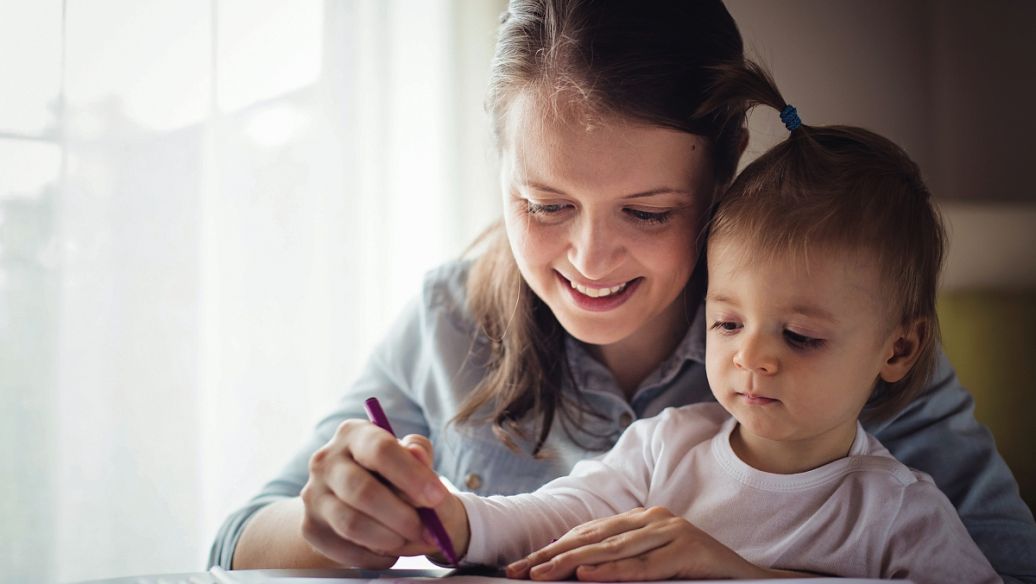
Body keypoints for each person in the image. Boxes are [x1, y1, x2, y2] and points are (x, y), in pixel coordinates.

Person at [209, 1, 1036, 581]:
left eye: (646, 211)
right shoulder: (449, 318)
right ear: (499, 167)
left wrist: (736, 572)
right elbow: (233, 544)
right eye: (545, 205)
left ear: (723, 165)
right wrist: (335, 525)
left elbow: (1003, 567)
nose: (590, 258)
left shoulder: (829, 329)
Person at [419, 62, 1001, 583]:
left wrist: (745, 575)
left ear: (898, 350)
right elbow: (559, 513)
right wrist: (458, 519)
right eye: (726, 323)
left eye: (799, 336)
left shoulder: (898, 510)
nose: (751, 357)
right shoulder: (666, 446)